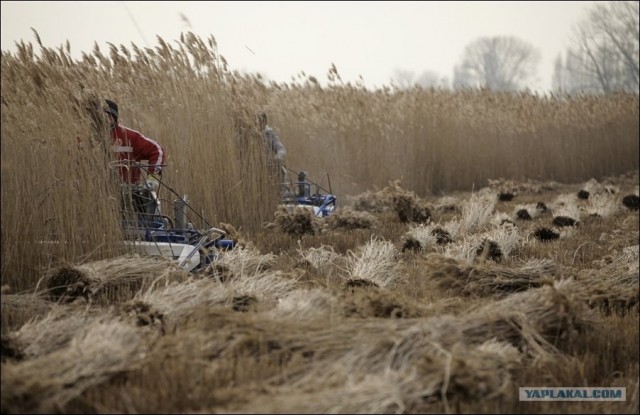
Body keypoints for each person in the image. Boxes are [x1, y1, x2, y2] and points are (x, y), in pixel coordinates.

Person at [104, 99, 167, 221]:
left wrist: (152, 177)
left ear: (112, 117)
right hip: (95, 196)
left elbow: (157, 150)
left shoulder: (129, 136)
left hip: (128, 195)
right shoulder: (87, 136)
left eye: (105, 115)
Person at [256, 112, 287, 191]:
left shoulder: (269, 134)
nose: (258, 122)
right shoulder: (249, 134)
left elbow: (281, 149)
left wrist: (277, 157)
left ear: (265, 122)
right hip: (255, 170)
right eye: (257, 120)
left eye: (260, 120)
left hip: (268, 167)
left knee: (281, 171)